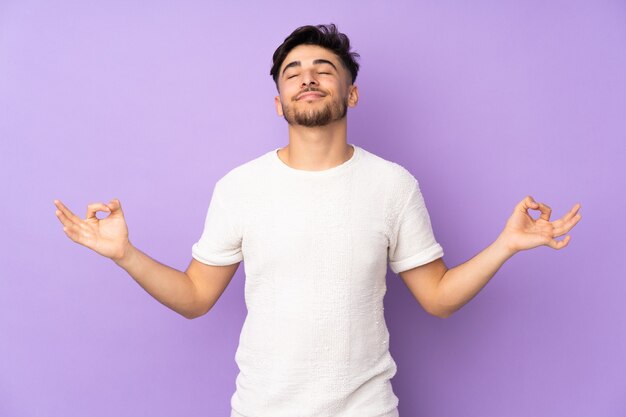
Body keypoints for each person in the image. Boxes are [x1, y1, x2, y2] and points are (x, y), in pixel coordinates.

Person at [53, 23, 582, 417]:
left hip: (367, 409)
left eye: (323, 70)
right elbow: (195, 297)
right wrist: (125, 254)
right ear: (279, 102)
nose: (307, 79)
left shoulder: (393, 185)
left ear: (351, 92)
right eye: (293, 73)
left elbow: (438, 298)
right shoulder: (240, 187)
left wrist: (506, 245)